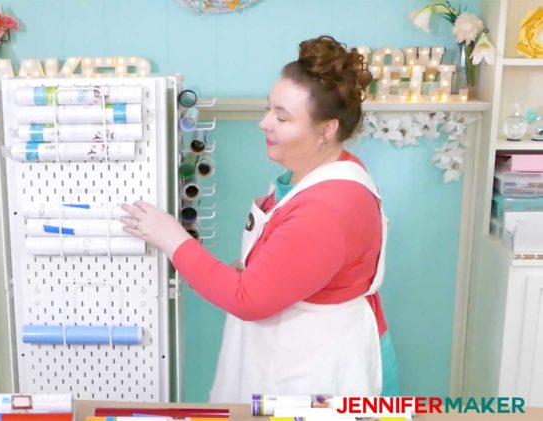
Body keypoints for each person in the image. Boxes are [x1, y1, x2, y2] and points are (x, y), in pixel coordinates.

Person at [120, 35, 399, 403]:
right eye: (269, 109)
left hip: (314, 371)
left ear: (326, 129)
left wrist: (172, 238)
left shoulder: (329, 206)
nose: (264, 124)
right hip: (294, 352)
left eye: (282, 117)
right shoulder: (319, 172)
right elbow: (293, 264)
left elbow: (247, 298)